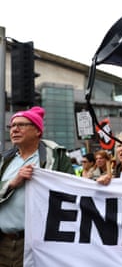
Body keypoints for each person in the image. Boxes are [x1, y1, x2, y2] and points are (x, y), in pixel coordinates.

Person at [0, 106, 74, 266]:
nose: (14, 129)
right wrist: (13, 182)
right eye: (12, 126)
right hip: (3, 242)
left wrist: (100, 184)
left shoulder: (55, 158)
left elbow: (73, 190)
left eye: (21, 125)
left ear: (37, 131)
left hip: (36, 243)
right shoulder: (4, 161)